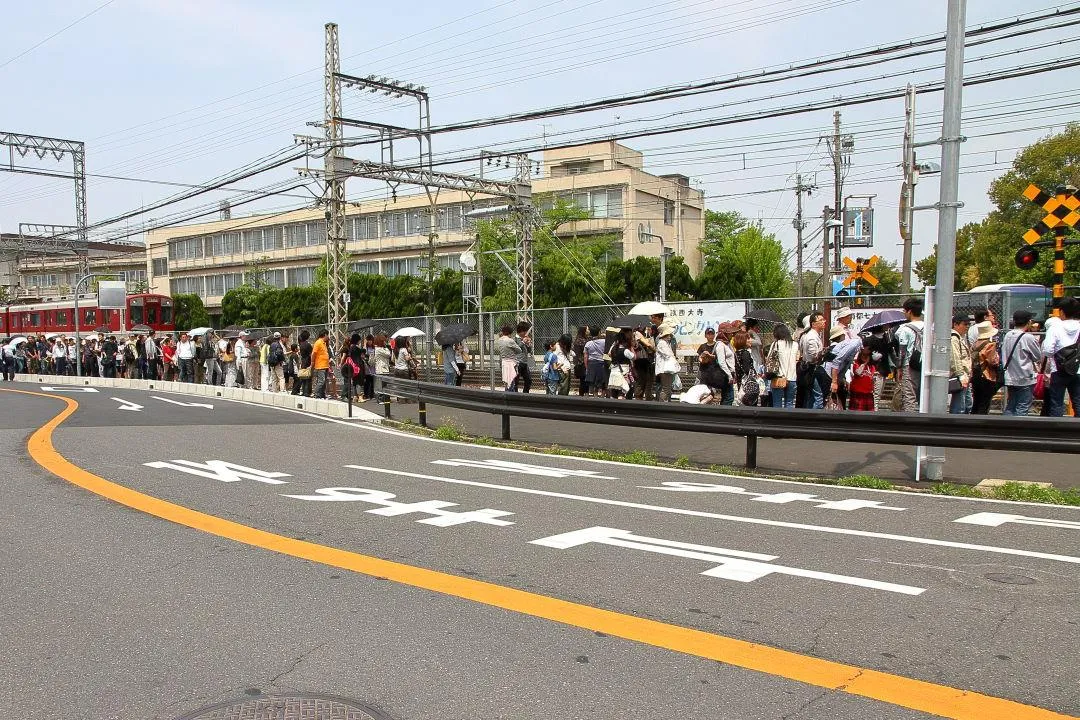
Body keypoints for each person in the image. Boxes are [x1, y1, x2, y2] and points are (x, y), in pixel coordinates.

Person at [1042, 295, 1080, 417]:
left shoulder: (1055, 327)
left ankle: (1057, 432)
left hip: (1058, 369)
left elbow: (1047, 350)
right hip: (1078, 369)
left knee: (1056, 403)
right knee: (1078, 402)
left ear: (1062, 311)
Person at [1000, 310, 1043, 417]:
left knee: (1011, 405)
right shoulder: (1028, 337)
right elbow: (1037, 356)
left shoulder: (1007, 335)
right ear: (1028, 322)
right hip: (1025, 377)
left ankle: (1005, 428)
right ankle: (1018, 431)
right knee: (1022, 407)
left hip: (1010, 376)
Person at [893, 298, 925, 412]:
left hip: (910, 364)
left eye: (904, 311)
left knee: (909, 396)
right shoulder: (928, 327)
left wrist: (899, 368)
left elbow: (902, 351)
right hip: (925, 364)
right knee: (924, 395)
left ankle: (909, 421)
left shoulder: (905, 329)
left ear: (909, 311)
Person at [824, 327, 862, 410]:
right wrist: (835, 382)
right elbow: (837, 363)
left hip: (834, 376)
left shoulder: (834, 347)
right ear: (841, 336)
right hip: (832, 376)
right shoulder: (844, 347)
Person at [969, 319, 1001, 415]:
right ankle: (981, 423)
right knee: (984, 402)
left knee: (976, 401)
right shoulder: (989, 345)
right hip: (986, 375)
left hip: (976, 375)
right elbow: (992, 361)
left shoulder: (975, 344)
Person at [766, 324, 799, 409]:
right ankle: (788, 421)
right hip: (792, 377)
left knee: (777, 403)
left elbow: (769, 359)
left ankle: (778, 421)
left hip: (778, 377)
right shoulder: (795, 344)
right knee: (790, 403)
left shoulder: (776, 344)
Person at [798, 312, 827, 409]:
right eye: (821, 320)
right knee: (818, 397)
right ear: (813, 324)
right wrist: (823, 354)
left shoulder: (811, 335)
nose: (824, 321)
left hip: (810, 369)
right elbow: (812, 356)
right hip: (812, 369)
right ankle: (815, 419)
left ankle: (808, 418)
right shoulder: (812, 337)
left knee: (810, 397)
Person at [948, 314, 973, 415]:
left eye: (968, 324)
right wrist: (961, 375)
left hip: (965, 375)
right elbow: (955, 358)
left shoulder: (960, 337)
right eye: (965, 324)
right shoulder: (954, 338)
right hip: (960, 376)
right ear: (955, 324)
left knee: (967, 404)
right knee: (960, 406)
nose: (967, 327)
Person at [697, 327, 730, 400]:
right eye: (708, 334)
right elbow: (699, 358)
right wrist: (703, 357)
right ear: (705, 335)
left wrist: (711, 356)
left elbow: (720, 357)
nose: (710, 336)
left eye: (712, 334)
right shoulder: (702, 346)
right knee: (705, 393)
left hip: (716, 373)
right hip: (704, 373)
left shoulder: (718, 345)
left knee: (717, 395)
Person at [732, 330, 760, 406]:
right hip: (748, 385)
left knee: (743, 404)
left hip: (741, 383)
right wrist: (755, 375)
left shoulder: (737, 353)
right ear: (743, 340)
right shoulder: (745, 353)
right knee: (751, 404)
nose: (750, 340)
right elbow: (747, 370)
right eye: (748, 338)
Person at [654, 323, 681, 402]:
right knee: (666, 388)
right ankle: (662, 404)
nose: (670, 336)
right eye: (668, 334)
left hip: (666, 369)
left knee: (667, 388)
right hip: (664, 369)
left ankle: (664, 403)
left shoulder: (664, 343)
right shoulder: (662, 343)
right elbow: (668, 355)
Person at [607, 328, 636, 399]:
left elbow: (609, 354)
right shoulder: (625, 350)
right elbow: (634, 357)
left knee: (613, 394)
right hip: (622, 374)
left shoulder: (613, 348)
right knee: (621, 394)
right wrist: (631, 347)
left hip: (613, 373)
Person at [847, 344, 877, 412]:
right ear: (860, 355)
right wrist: (865, 363)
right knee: (856, 412)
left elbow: (872, 378)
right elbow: (858, 372)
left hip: (868, 393)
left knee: (869, 413)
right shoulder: (856, 364)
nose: (865, 357)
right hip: (857, 392)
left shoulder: (872, 367)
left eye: (867, 355)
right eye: (863, 355)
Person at [632, 326, 656, 401]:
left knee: (643, 379)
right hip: (641, 360)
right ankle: (639, 397)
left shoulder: (640, 334)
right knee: (642, 379)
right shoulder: (637, 334)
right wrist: (656, 351)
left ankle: (641, 396)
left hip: (641, 360)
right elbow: (648, 344)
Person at [510, 321, 534, 393]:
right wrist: (523, 342)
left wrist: (528, 344)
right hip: (517, 362)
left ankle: (525, 395)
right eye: (526, 331)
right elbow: (516, 348)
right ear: (521, 331)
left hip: (524, 362)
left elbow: (529, 351)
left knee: (528, 380)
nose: (527, 333)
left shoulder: (524, 338)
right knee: (516, 381)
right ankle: (516, 397)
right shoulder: (514, 339)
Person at [583, 330, 608, 397]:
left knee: (593, 381)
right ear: (599, 332)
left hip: (591, 363)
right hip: (602, 362)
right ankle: (603, 395)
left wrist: (586, 366)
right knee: (603, 380)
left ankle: (595, 395)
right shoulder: (604, 341)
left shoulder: (588, 343)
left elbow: (585, 356)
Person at [495, 325, 518, 391]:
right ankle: (509, 393)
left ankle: (508, 392)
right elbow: (517, 350)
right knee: (510, 379)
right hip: (509, 362)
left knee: (508, 379)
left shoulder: (501, 340)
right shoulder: (508, 341)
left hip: (505, 362)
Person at [292, 330, 314, 397]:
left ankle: (304, 391)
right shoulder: (307, 344)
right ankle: (307, 392)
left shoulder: (301, 345)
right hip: (308, 362)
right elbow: (311, 354)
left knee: (303, 377)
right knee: (308, 377)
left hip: (303, 362)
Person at [311, 329, 331, 399]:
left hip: (325, 365)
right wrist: (312, 362)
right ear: (324, 334)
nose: (328, 336)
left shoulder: (324, 343)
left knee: (324, 381)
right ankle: (316, 394)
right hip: (320, 366)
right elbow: (314, 353)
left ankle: (322, 394)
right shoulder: (318, 342)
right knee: (321, 381)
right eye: (327, 335)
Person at [372, 334, 392, 402]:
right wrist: (386, 347)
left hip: (384, 368)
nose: (385, 342)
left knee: (385, 384)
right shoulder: (379, 349)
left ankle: (384, 399)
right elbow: (388, 354)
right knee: (381, 385)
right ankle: (380, 399)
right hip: (381, 369)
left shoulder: (382, 348)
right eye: (383, 341)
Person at [572, 326, 589, 395]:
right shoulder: (582, 341)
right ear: (584, 331)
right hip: (582, 363)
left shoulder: (578, 340)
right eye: (587, 329)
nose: (589, 331)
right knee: (584, 381)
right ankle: (583, 396)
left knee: (583, 381)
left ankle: (582, 395)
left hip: (579, 363)